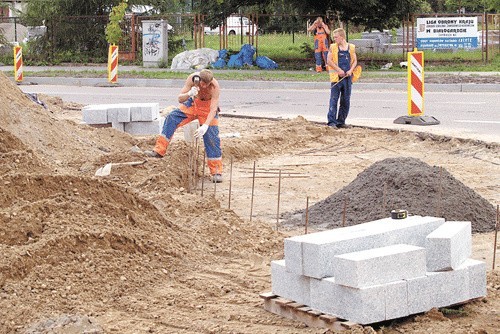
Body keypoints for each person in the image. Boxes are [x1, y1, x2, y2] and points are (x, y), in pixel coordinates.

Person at [146, 69, 223, 183]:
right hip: (193, 103)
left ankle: (216, 171)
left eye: (207, 84)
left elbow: (213, 109)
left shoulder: (214, 87)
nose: (205, 86)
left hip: (207, 109)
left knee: (212, 137)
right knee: (171, 118)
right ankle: (159, 150)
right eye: (203, 83)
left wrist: (205, 126)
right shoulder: (192, 79)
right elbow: (180, 99)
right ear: (199, 79)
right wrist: (189, 94)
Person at [326, 28, 357, 129]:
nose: (334, 39)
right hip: (336, 78)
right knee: (334, 99)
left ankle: (341, 121)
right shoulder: (333, 47)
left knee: (345, 100)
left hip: (347, 78)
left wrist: (351, 70)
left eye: (336, 37)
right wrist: (338, 70)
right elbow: (329, 61)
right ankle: (331, 122)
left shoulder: (351, 47)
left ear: (342, 37)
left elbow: (355, 61)